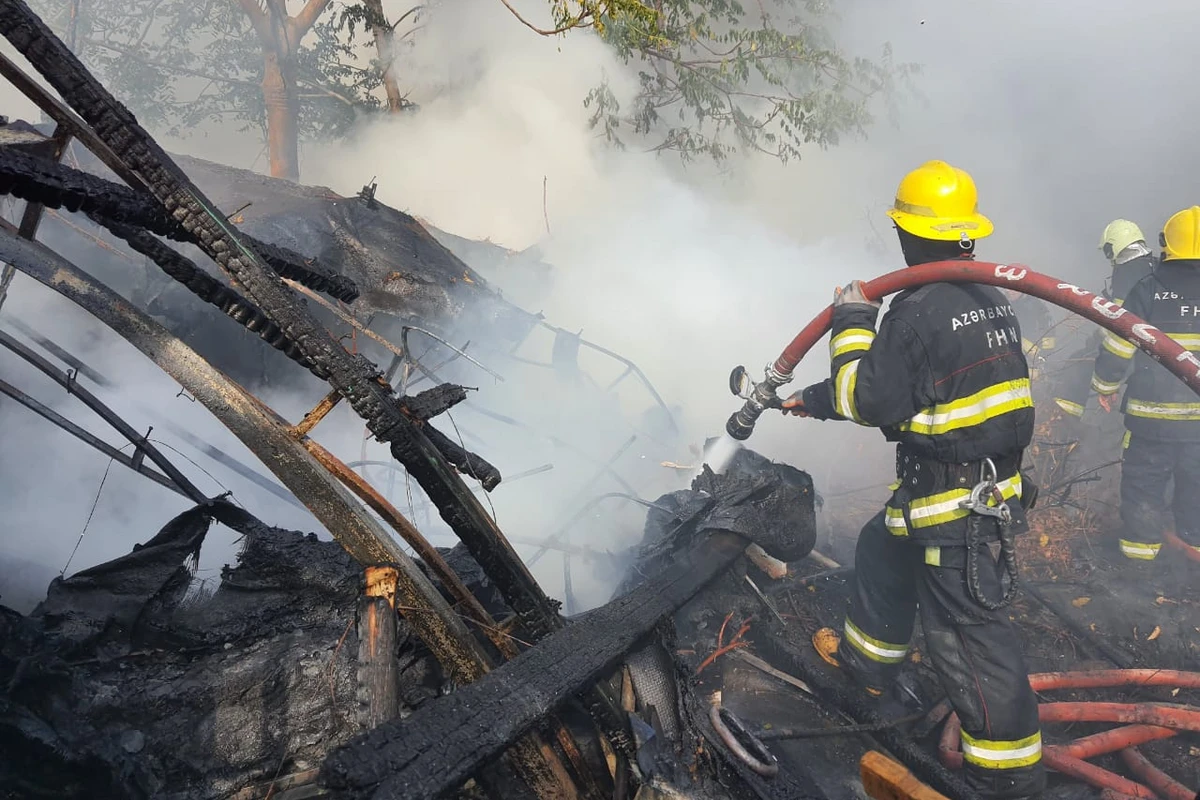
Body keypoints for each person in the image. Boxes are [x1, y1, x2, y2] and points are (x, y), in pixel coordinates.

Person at [782, 160, 1044, 800]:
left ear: (909, 234)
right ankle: (869, 668)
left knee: (968, 639)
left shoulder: (915, 311)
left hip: (956, 501)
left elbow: (870, 400)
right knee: (880, 548)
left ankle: (1009, 777)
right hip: (970, 483)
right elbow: (910, 385)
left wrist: (851, 322)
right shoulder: (986, 299)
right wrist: (807, 400)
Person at [1090, 206, 1200, 564]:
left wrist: (1104, 385)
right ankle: (1190, 571)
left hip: (1151, 424)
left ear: (1167, 245)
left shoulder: (1147, 289)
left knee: (1143, 492)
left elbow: (1119, 343)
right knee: (1197, 495)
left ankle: (1137, 573)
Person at [1053, 220, 1157, 419]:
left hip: (1133, 347)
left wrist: (1095, 341)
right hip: (1153, 349)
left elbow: (1118, 320)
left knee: (1078, 364)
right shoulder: (1155, 264)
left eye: (1108, 251)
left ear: (1114, 247)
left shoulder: (1127, 271)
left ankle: (1062, 423)